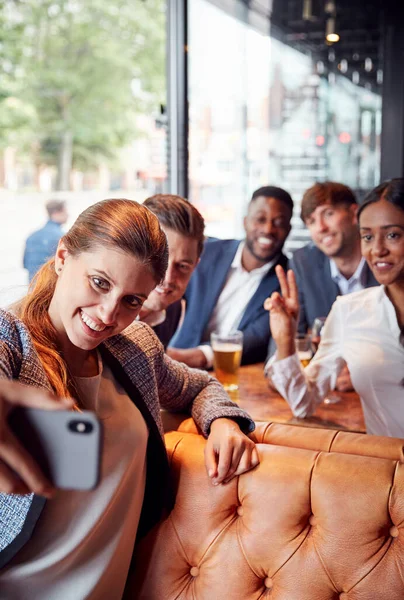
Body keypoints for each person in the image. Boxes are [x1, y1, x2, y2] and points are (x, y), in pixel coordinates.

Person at [0, 198, 258, 598]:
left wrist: (223, 421)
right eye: (100, 282)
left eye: (131, 301)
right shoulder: (10, 339)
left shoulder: (134, 346)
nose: (107, 313)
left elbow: (200, 386)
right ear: (63, 255)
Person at [264, 178, 404, 439]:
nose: (378, 250)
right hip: (387, 468)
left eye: (393, 235)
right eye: (368, 237)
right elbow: (303, 402)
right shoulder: (349, 310)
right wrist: (285, 342)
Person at [167, 186, 293, 369]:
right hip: (174, 358)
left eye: (279, 223)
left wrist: (199, 357)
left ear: (288, 230)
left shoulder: (288, 280)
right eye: (260, 219)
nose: (268, 229)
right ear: (245, 222)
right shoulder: (208, 251)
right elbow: (170, 292)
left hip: (231, 373)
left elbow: (257, 337)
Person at [291, 182, 378, 392]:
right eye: (311, 221)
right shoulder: (304, 262)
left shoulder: (386, 260)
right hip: (328, 396)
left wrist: (368, 372)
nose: (321, 227)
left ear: (354, 214)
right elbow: (294, 332)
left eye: (328, 214)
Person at [139, 194, 205, 349]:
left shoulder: (171, 310)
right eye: (159, 259)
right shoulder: (101, 312)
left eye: (182, 266)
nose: (168, 278)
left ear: (195, 266)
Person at [23, 199, 68, 281]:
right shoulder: (62, 238)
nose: (68, 215)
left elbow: (25, 264)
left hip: (33, 287)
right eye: (65, 212)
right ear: (56, 213)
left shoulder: (31, 236)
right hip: (51, 288)